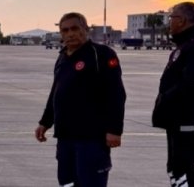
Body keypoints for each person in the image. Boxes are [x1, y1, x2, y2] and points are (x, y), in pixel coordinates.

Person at [35, 12, 126, 187]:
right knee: (67, 183)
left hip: (92, 139)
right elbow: (56, 92)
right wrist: (45, 122)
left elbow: (116, 94)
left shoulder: (102, 54)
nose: (70, 34)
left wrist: (115, 130)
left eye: (75, 28)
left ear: (86, 29)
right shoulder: (63, 57)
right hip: (65, 137)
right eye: (65, 30)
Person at [152, 2, 194, 186]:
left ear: (182, 20)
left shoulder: (192, 47)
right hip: (178, 121)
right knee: (177, 168)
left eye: (172, 18)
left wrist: (166, 100)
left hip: (187, 121)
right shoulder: (185, 46)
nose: (170, 22)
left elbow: (190, 83)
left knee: (182, 170)